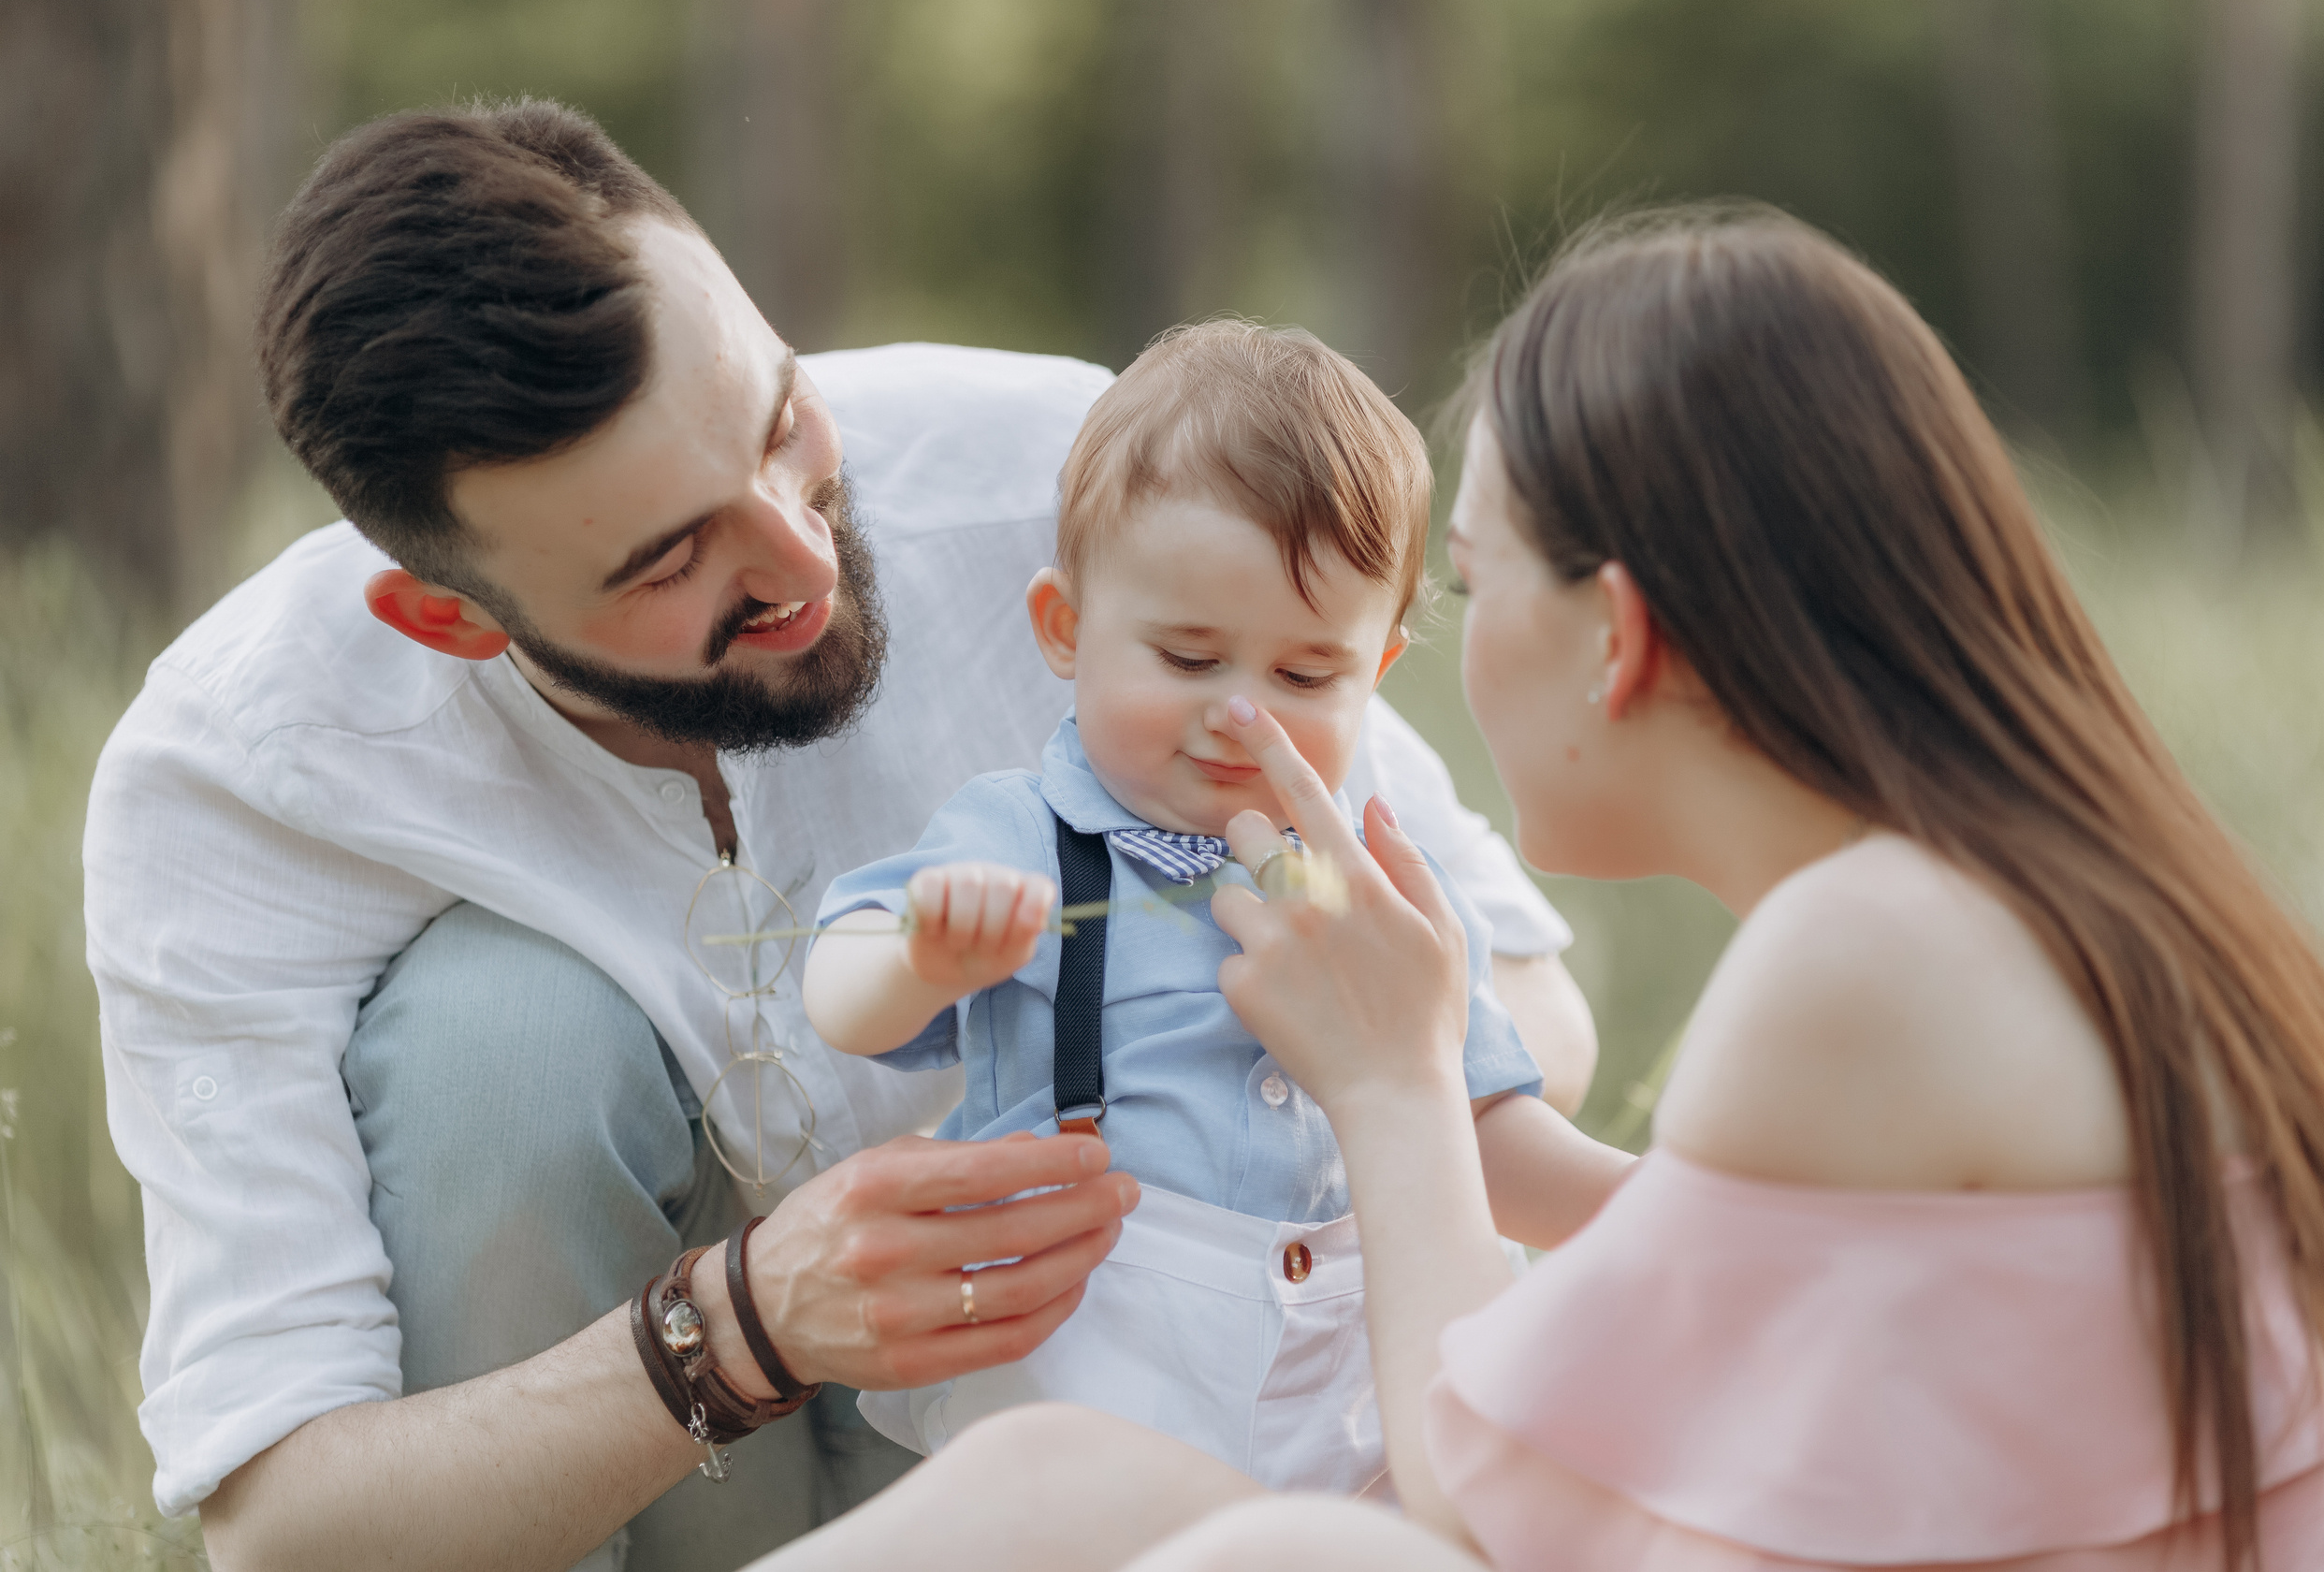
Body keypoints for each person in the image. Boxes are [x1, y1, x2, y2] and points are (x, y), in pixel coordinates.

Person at [735, 206, 2324, 1572]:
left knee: (1287, 1557)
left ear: (1623, 637)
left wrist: (1394, 1074)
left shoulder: (1870, 952)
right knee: (1055, 1483)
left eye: (1466, 584)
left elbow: (1487, 1492)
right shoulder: (2036, 899)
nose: (1363, 703)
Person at [80, 100, 1596, 1572]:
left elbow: (1518, 1003)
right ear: (450, 616)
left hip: (1106, 1377)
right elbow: (289, 1527)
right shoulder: (244, 778)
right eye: (674, 555)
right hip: (616, 1447)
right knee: (498, 1031)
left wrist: (1204, 1074)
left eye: (783, 417)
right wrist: (748, 1322)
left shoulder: (1090, 486)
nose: (803, 553)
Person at [801, 322, 1616, 1490]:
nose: (1242, 716)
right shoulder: (1023, 837)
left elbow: (1474, 1135)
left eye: (1302, 676)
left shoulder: (1380, 890)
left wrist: (1655, 1211)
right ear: (1065, 630)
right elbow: (841, 999)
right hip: (1088, 1408)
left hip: (1350, 1426)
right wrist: (923, 957)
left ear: (1375, 671)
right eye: (1187, 659)